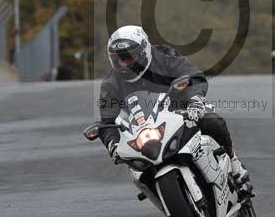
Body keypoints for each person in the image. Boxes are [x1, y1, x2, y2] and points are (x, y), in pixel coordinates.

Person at [97, 25, 249, 183]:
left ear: (143, 51)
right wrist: (113, 144)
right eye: (119, 59)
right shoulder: (110, 84)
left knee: (211, 121)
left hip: (181, 109)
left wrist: (195, 100)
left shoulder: (164, 56)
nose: (125, 64)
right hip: (143, 128)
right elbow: (107, 121)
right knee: (137, 171)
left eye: (129, 57)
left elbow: (192, 75)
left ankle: (234, 162)